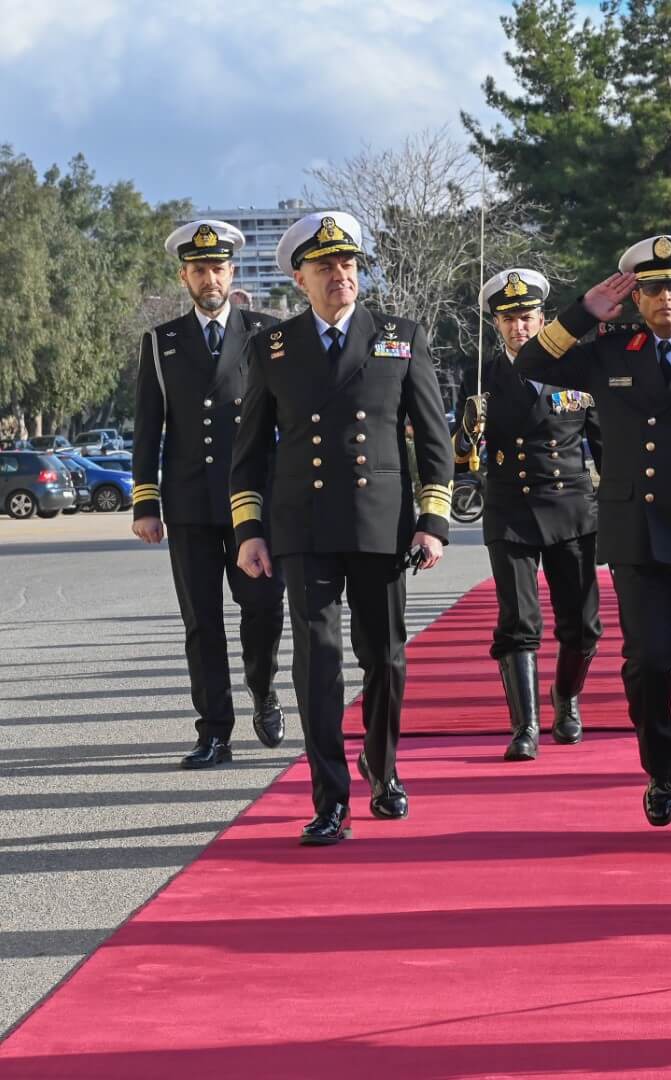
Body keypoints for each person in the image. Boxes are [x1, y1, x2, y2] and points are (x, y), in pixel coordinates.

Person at [513, 234, 671, 844]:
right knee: (648, 662)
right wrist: (583, 313)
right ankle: (662, 770)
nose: (665, 298)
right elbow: (530, 363)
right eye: (652, 288)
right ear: (637, 299)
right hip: (640, 537)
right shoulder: (608, 351)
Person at [230, 211, 455, 846]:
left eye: (349, 265)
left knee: (384, 657)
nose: (341, 276)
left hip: (380, 525)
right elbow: (249, 452)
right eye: (326, 267)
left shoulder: (399, 336)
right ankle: (331, 798)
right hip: (303, 526)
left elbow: (433, 439)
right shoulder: (272, 348)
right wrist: (250, 529)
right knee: (317, 662)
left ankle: (383, 770)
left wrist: (433, 520)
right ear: (300, 278)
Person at [133, 220, 286, 769]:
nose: (210, 277)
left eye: (218, 267)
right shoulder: (161, 342)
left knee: (264, 609)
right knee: (201, 621)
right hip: (191, 502)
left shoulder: (268, 333)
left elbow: (287, 422)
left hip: (256, 504)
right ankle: (214, 731)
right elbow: (148, 427)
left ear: (232, 272)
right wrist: (145, 503)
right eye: (199, 269)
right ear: (185, 276)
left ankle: (263, 689)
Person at [458, 268, 604, 761]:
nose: (519, 327)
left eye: (527, 317)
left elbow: (604, 445)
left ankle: (567, 698)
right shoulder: (483, 377)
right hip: (511, 509)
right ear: (496, 325)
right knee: (519, 621)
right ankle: (526, 726)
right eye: (509, 320)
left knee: (582, 626)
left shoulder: (579, 366)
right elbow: (463, 451)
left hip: (571, 508)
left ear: (543, 318)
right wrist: (468, 445)